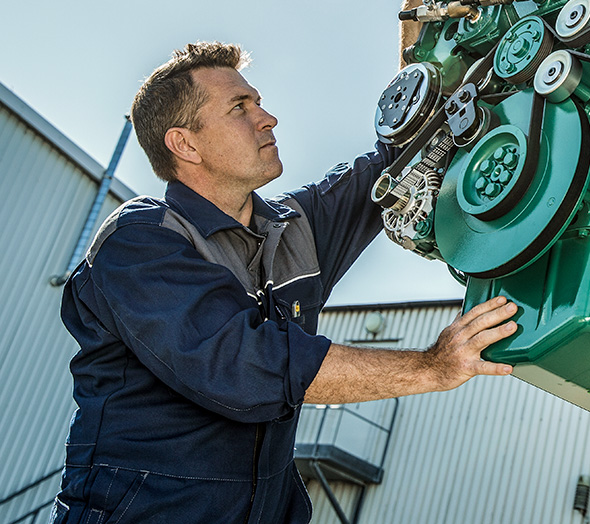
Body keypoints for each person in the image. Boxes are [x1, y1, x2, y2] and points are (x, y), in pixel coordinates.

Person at [54, 41, 518, 524]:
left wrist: (423, 33)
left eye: (257, 101)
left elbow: (401, 153)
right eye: (240, 107)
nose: (267, 117)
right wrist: (431, 367)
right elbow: (246, 366)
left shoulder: (297, 227)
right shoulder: (141, 241)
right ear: (185, 144)